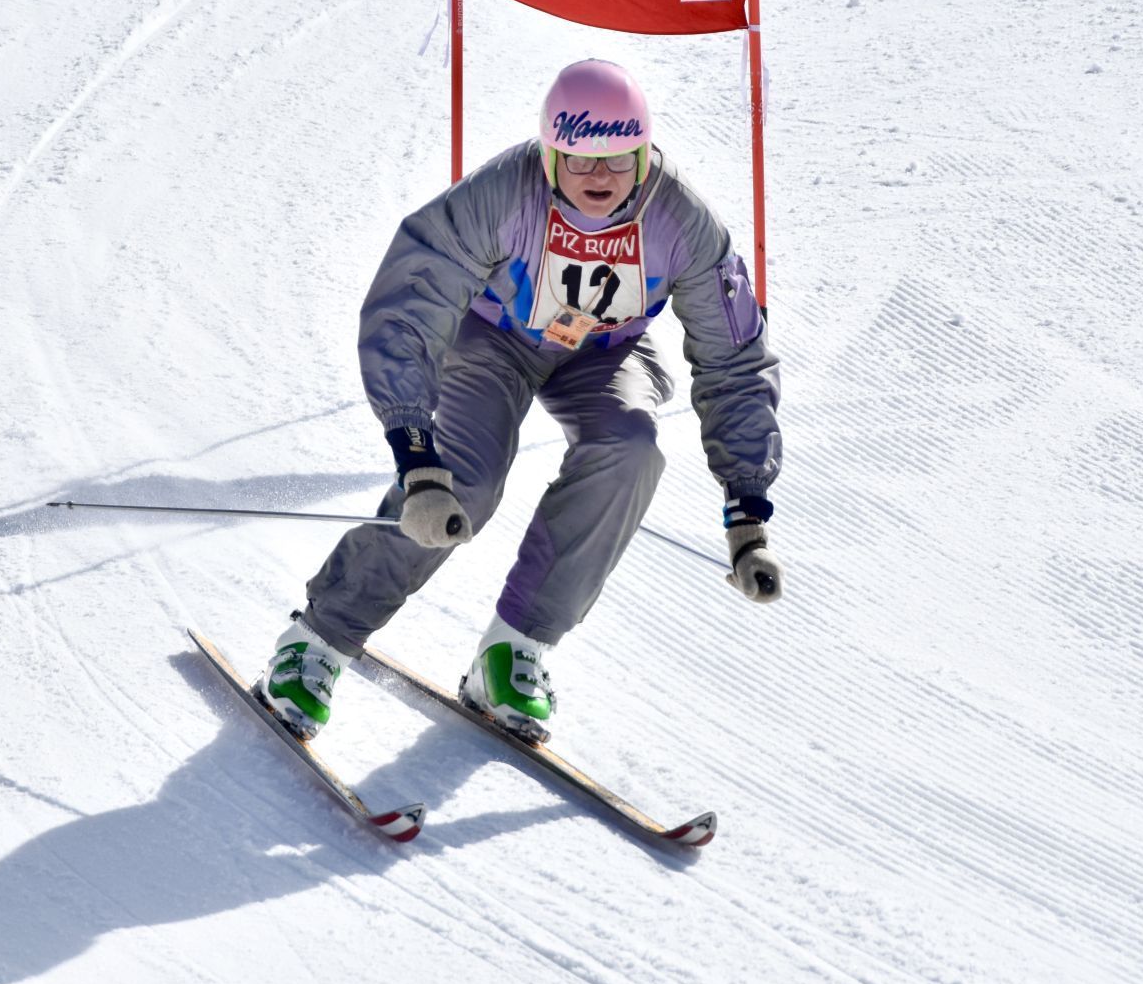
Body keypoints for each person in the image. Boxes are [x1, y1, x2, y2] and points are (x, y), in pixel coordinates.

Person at [256, 58, 782, 743]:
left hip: (606, 350)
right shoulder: (504, 192)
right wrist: (416, 456)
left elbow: (735, 355)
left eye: (620, 159)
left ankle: (515, 647)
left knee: (630, 450)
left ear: (645, 153)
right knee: (461, 484)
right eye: (580, 158)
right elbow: (409, 306)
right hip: (493, 339)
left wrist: (747, 511)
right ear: (549, 152)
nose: (600, 177)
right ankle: (320, 639)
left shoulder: (682, 219)